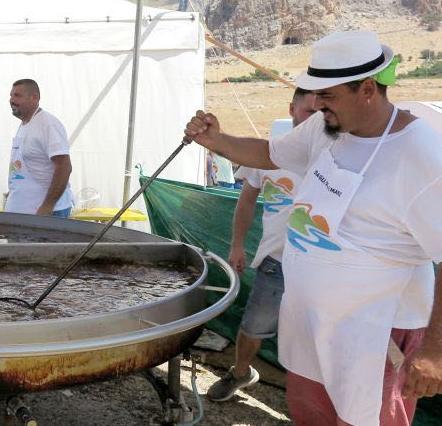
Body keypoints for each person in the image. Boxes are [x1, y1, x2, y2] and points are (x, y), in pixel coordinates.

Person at [184, 31, 442, 425]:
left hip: (376, 334)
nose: (318, 106)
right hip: (310, 322)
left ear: (368, 89)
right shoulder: (326, 127)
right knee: (310, 416)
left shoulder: (421, 154)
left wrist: (436, 351)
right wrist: (216, 140)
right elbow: (270, 153)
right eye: (316, 95)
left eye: (328, 96)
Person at [205, 87, 316, 402]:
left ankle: (309, 400)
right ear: (291, 109)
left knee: (313, 336)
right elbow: (246, 201)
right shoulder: (268, 152)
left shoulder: (334, 153)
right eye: (308, 111)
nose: (315, 119)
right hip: (276, 260)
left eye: (321, 112)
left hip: (319, 268)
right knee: (254, 325)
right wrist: (237, 245)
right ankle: (240, 372)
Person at [4, 78, 73, 217]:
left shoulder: (47, 124)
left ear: (34, 97)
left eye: (17, 96)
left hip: (45, 214)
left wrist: (47, 206)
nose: (11, 100)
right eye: (11, 95)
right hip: (23, 212)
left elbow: (64, 167)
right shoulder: (25, 124)